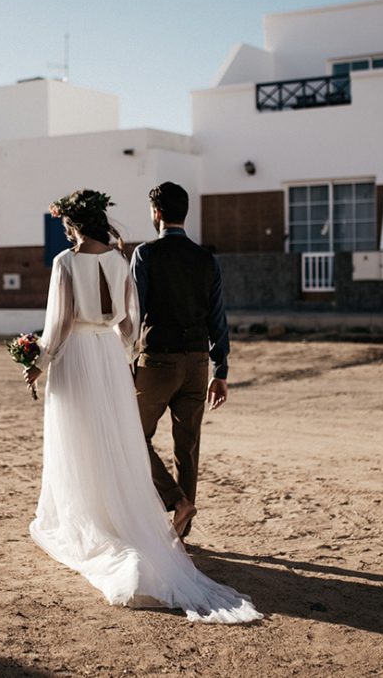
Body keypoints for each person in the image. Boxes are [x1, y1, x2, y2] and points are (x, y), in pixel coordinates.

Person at [22, 189, 260, 623]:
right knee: (152, 440)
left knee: (96, 437)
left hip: (87, 356)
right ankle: (174, 515)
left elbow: (57, 324)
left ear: (72, 224)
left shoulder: (72, 262)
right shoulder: (129, 259)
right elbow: (132, 322)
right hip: (137, 357)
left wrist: (38, 361)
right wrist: (122, 355)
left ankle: (122, 511)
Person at [130, 182, 229, 540]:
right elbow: (218, 318)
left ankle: (176, 501)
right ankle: (181, 535)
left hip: (158, 361)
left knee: (131, 436)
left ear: (157, 212)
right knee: (187, 446)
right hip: (199, 363)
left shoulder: (145, 254)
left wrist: (126, 361)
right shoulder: (207, 259)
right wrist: (222, 371)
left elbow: (134, 312)